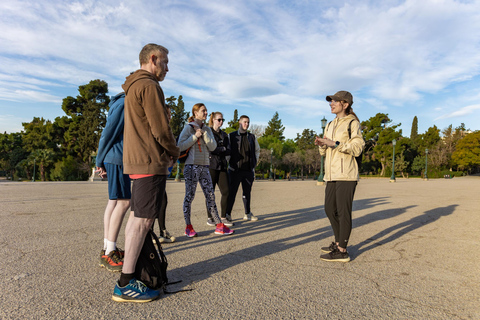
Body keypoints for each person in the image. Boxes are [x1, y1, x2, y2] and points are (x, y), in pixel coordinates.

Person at [112, 43, 180, 303]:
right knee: (142, 222)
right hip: (149, 161)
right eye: (165, 62)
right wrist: (174, 151)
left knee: (137, 219)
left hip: (137, 161)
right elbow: (160, 129)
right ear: (153, 58)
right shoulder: (150, 86)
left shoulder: (133, 86)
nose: (167, 68)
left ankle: (130, 275)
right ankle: (126, 282)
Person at [315, 91, 365, 263]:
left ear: (345, 104)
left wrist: (334, 144)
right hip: (331, 174)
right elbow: (324, 152)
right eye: (331, 101)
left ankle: (342, 250)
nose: (331, 103)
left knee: (344, 212)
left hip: (346, 174)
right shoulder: (330, 124)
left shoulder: (353, 123)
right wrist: (322, 144)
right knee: (329, 209)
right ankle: (338, 242)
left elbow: (357, 148)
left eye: (335, 101)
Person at [177, 103, 234, 237]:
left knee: (210, 195)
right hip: (191, 166)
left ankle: (219, 225)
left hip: (205, 166)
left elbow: (213, 147)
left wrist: (205, 134)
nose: (206, 113)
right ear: (195, 113)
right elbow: (179, 146)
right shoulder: (188, 128)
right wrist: (195, 136)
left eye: (206, 110)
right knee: (189, 196)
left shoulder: (207, 129)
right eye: (203, 111)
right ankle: (188, 226)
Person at [95, 92, 131, 272]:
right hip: (117, 158)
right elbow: (108, 132)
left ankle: (107, 247)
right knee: (124, 202)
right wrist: (99, 160)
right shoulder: (124, 103)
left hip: (116, 157)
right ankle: (110, 251)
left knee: (114, 201)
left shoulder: (122, 102)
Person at [225, 115, 260, 222]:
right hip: (234, 170)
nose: (246, 124)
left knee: (247, 193)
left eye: (248, 122)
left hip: (248, 170)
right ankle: (227, 214)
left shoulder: (252, 137)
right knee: (232, 193)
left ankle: (247, 213)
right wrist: (228, 163)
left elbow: (257, 151)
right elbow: (227, 151)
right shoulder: (231, 136)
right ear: (239, 122)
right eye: (244, 122)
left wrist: (254, 163)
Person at [151, 106, 175, 243]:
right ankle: (152, 232)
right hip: (154, 169)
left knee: (162, 201)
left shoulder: (167, 130)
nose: (169, 116)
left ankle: (161, 231)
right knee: (156, 202)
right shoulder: (157, 129)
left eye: (170, 114)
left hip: (162, 170)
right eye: (167, 114)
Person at [205, 112, 232, 227]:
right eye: (219, 120)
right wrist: (221, 148)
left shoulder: (225, 135)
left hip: (222, 166)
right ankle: (210, 217)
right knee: (210, 193)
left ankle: (223, 216)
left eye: (222, 120)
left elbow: (229, 150)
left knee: (226, 192)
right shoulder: (208, 132)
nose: (221, 122)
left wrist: (219, 148)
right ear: (213, 120)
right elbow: (210, 149)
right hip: (211, 166)